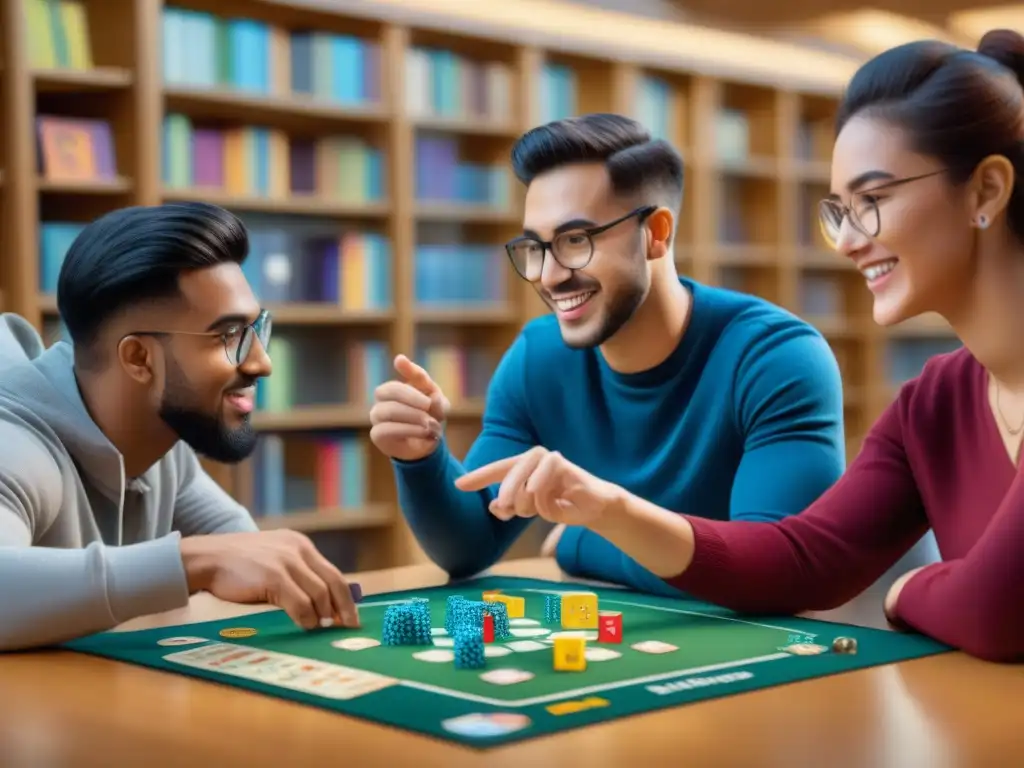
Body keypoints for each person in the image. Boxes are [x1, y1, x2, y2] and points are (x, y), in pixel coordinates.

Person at [457, 31, 1024, 663]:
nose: (849, 241)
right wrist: (606, 509)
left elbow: (996, 612)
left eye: (874, 199)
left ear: (986, 191)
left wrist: (910, 590)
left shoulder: (778, 354)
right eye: (840, 211)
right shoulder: (931, 404)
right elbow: (795, 563)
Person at [371, 113, 848, 594]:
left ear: (656, 233)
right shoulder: (538, 360)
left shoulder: (776, 359)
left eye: (575, 240)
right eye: (535, 247)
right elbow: (469, 544)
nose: (549, 275)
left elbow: (773, 573)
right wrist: (422, 459)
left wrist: (587, 541)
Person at [0, 202, 360, 652]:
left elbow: (245, 553)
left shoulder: (161, 444)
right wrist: (193, 563)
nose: (261, 362)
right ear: (138, 359)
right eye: (229, 336)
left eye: (255, 329)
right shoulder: (15, 443)